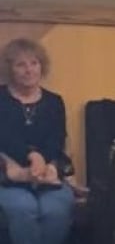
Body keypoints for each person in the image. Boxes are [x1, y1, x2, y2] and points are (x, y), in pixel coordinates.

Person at [0, 38, 74, 244]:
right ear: (10, 69)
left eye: (34, 63)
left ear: (42, 66)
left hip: (47, 173)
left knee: (56, 209)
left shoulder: (54, 101)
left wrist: (45, 161)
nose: (29, 70)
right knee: (23, 208)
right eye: (20, 64)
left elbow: (57, 138)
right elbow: (4, 137)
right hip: (7, 176)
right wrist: (31, 156)